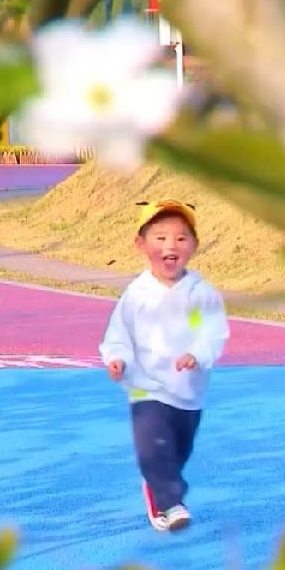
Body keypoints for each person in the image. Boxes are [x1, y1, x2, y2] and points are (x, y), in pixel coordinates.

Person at [99, 199, 230, 532]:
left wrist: (197, 353)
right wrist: (117, 359)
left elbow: (213, 332)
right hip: (146, 387)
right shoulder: (136, 295)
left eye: (181, 238)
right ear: (141, 244)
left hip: (189, 392)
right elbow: (118, 335)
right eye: (160, 238)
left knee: (177, 453)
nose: (171, 246)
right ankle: (171, 503)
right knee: (154, 446)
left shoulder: (202, 293)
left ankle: (158, 485)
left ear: (194, 245)